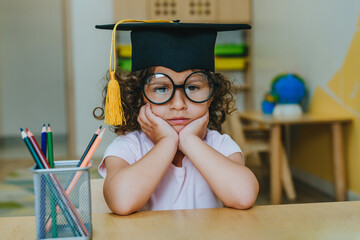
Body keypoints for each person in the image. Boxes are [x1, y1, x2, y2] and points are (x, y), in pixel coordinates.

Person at [94, 20, 259, 215]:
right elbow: (121, 202)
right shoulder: (127, 148)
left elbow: (243, 196)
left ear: (211, 96)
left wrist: (189, 141)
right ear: (139, 97)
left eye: (193, 87)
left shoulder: (220, 146)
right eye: (161, 88)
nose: (178, 104)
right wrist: (167, 142)